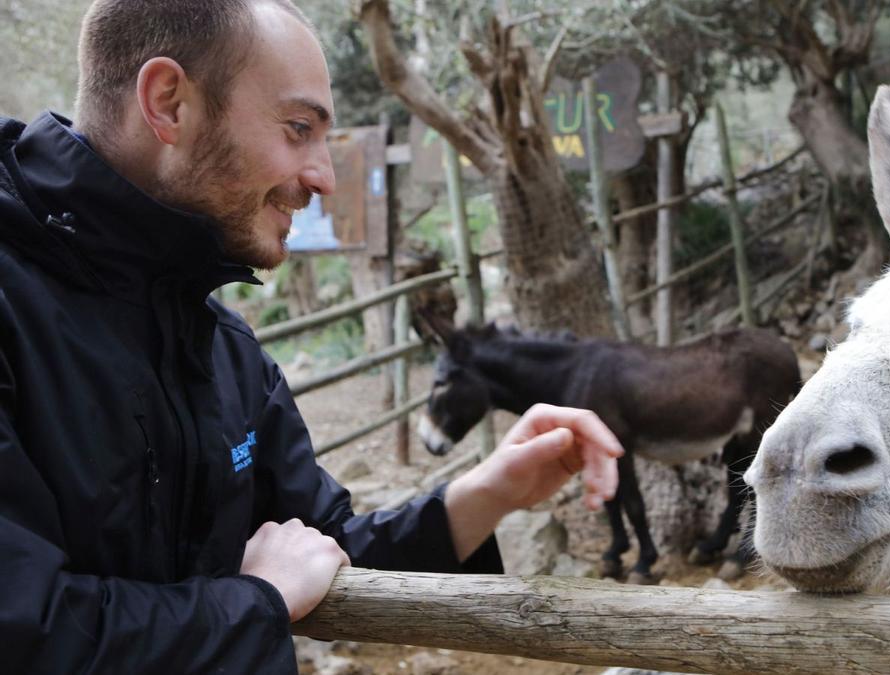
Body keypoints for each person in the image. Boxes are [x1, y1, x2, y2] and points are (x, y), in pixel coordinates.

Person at [0, 0, 623, 671]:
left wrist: (484, 494)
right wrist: (259, 599)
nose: (324, 177)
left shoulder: (226, 352)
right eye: (298, 129)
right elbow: (26, 628)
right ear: (169, 103)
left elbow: (324, 548)